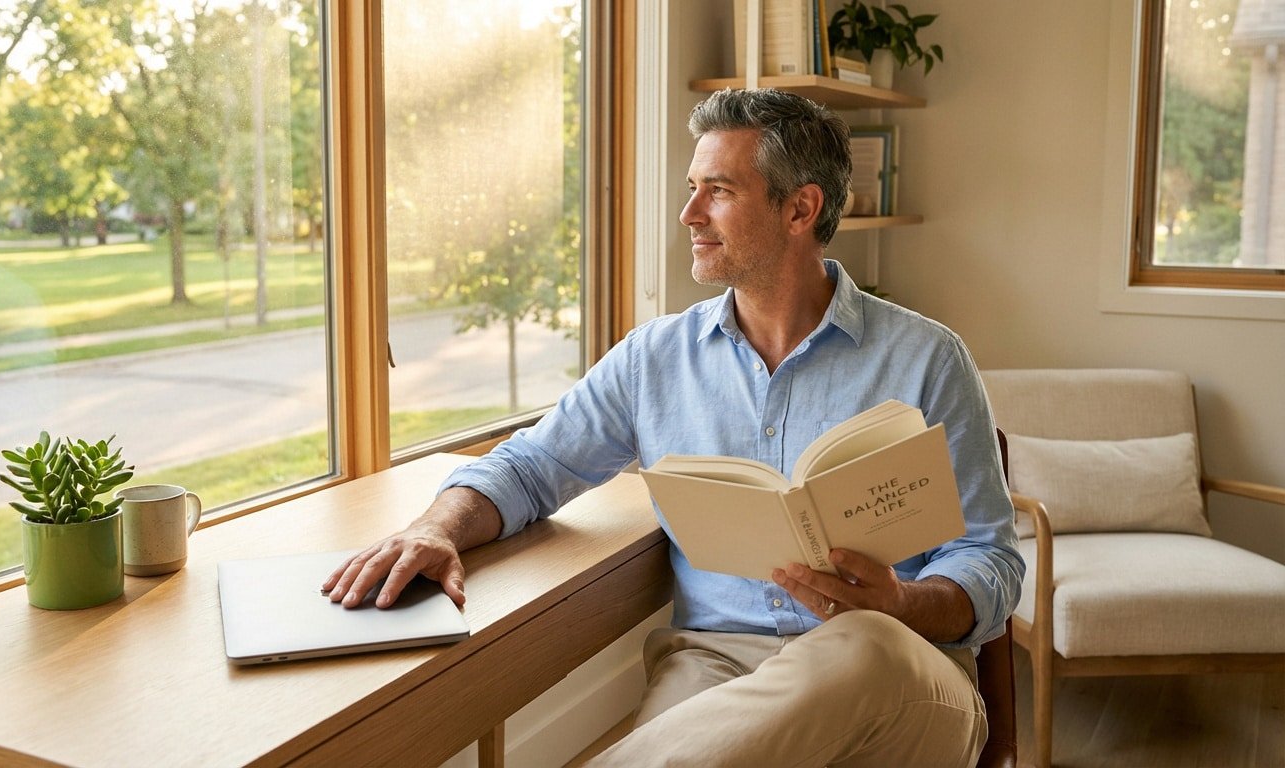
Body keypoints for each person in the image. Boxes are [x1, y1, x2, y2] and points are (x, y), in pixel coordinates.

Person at [324, 87, 1023, 767]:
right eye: (692, 187)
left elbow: (989, 561)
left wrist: (899, 601)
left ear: (799, 209)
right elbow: (531, 466)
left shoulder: (928, 357)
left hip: (901, 672)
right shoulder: (654, 358)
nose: (688, 213)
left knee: (863, 646)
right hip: (718, 665)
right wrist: (435, 527)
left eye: (717, 190)